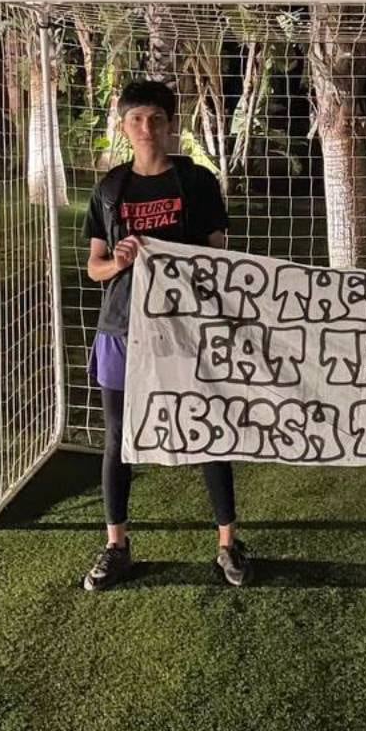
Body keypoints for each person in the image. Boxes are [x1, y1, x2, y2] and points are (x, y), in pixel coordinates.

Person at [81, 79, 251, 591]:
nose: (146, 128)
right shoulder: (110, 190)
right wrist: (119, 261)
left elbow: (219, 253)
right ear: (123, 126)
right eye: (136, 119)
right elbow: (94, 267)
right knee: (117, 437)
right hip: (121, 329)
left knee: (208, 427)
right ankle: (117, 544)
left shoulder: (197, 182)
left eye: (155, 118)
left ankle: (228, 543)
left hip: (185, 329)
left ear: (171, 124)